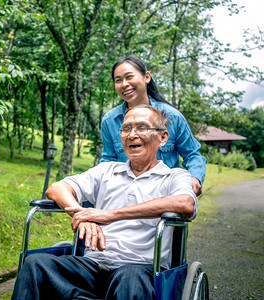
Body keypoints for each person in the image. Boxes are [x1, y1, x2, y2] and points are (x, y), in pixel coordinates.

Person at [11, 105, 198, 300]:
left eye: (142, 128)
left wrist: (108, 215)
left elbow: (185, 203)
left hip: (139, 269)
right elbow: (56, 189)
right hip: (93, 267)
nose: (132, 135)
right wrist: (81, 216)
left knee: (130, 278)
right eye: (126, 129)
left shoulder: (174, 176)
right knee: (35, 264)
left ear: (163, 137)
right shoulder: (106, 171)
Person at [101, 56, 206, 196]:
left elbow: (192, 154)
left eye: (129, 77)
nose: (124, 84)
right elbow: (108, 160)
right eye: (118, 80)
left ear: (147, 77)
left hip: (165, 196)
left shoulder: (173, 117)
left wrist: (194, 178)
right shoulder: (110, 121)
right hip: (125, 196)